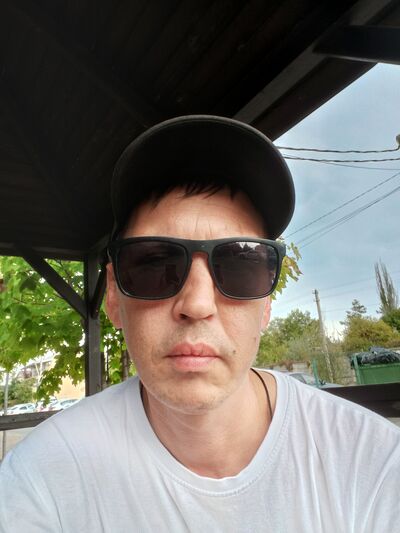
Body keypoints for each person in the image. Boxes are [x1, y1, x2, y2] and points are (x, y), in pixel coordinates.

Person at [0, 116, 399, 533]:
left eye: (241, 265)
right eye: (154, 264)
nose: (197, 304)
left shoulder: (372, 465)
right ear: (114, 296)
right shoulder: (41, 482)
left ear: (265, 305)